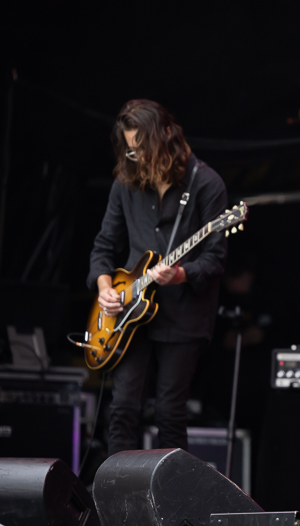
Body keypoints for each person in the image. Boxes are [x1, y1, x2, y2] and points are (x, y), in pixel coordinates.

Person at [88, 99, 228, 455]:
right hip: (129, 313)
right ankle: (118, 487)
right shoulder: (126, 182)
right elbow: (104, 246)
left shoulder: (206, 184)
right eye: (132, 151)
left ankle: (170, 490)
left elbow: (215, 260)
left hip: (183, 315)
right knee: (122, 409)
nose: (140, 159)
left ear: (167, 135)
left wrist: (181, 274)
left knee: (170, 414)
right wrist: (105, 287)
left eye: (144, 149)